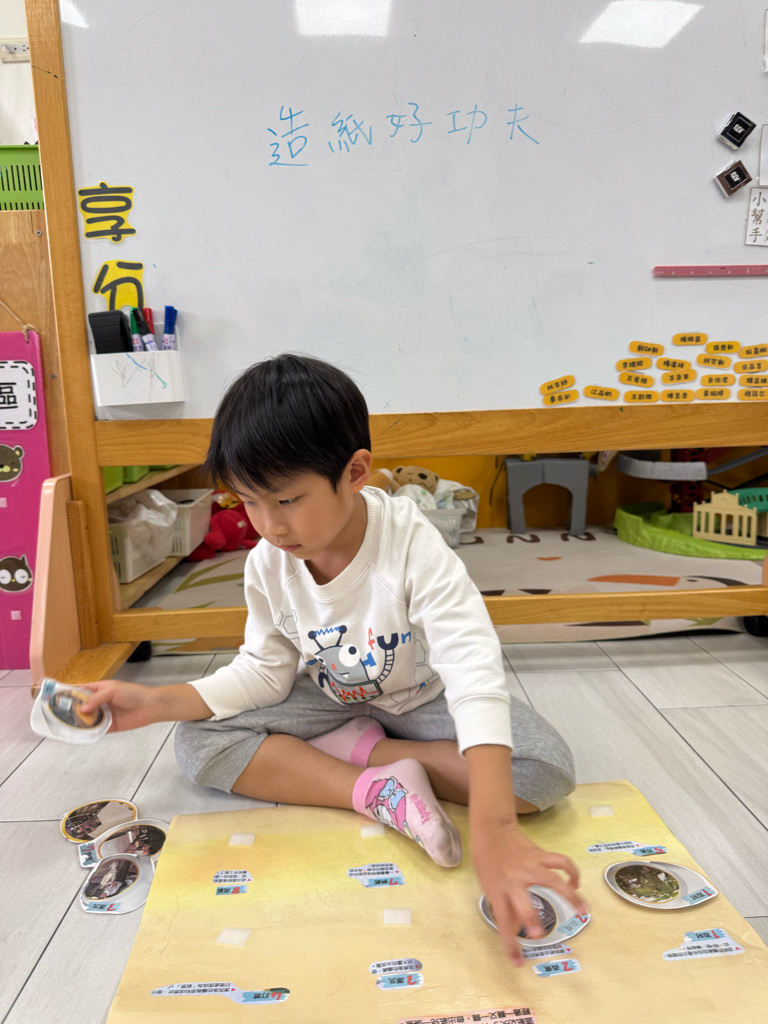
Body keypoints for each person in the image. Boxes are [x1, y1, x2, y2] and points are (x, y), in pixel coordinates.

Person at [81, 353, 586, 964]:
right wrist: (158, 701)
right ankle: (373, 788)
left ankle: (366, 750)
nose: (269, 526)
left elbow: (471, 664)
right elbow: (264, 671)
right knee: (197, 742)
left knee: (542, 771)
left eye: (288, 500)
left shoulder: (410, 542)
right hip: (329, 695)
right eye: (249, 502)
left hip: (424, 699)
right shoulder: (269, 562)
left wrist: (496, 827)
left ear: (355, 472)